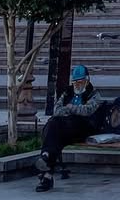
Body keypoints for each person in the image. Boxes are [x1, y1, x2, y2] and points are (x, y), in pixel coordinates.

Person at [35, 64, 106, 192]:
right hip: (65, 128)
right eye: (75, 82)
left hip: (83, 127)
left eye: (81, 82)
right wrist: (72, 110)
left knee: (54, 126)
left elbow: (87, 111)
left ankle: (46, 160)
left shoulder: (94, 94)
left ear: (87, 80)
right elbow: (56, 109)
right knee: (54, 125)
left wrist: (69, 108)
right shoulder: (67, 92)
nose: (77, 85)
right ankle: (47, 173)